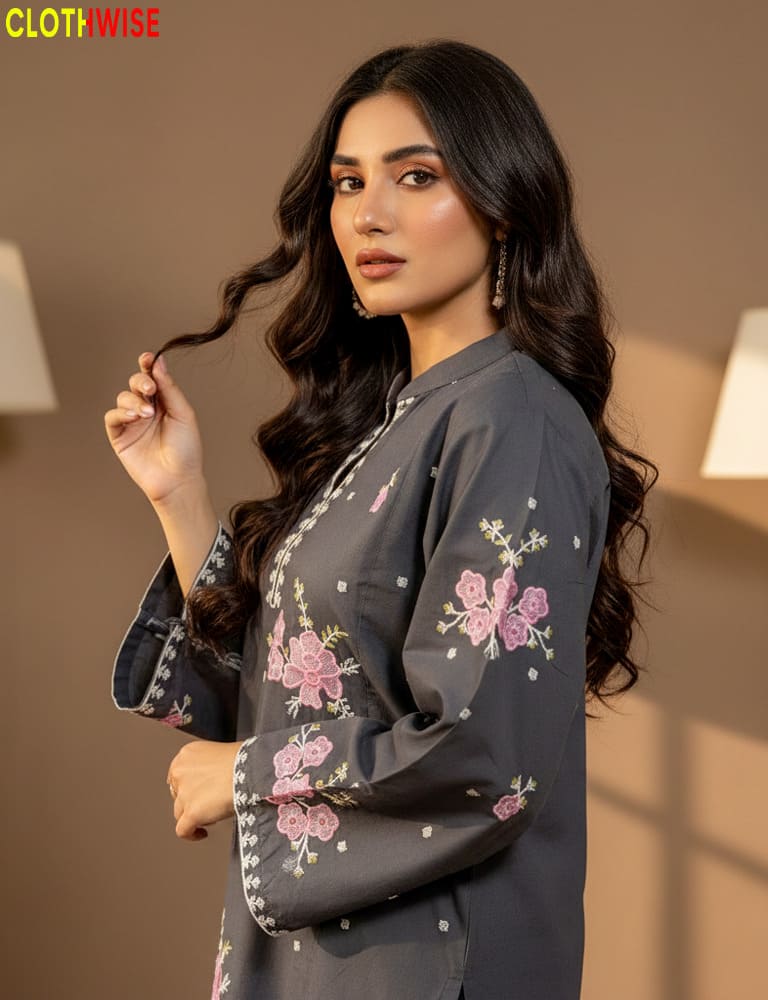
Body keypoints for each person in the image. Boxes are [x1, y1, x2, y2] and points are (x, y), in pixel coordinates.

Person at [104, 39, 656, 1000]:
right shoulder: (402, 419)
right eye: (349, 182)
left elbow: (485, 752)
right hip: (335, 956)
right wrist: (178, 494)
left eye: (417, 176)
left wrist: (244, 778)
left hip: (429, 960)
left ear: (503, 202)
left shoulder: (509, 420)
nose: (370, 212)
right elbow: (298, 693)